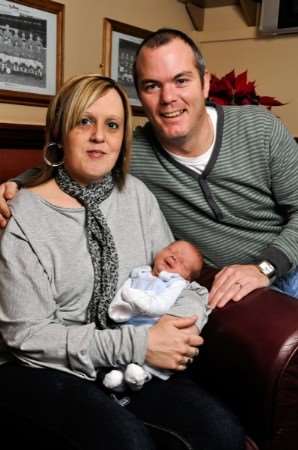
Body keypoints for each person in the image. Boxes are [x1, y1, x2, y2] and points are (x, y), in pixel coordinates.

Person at [0, 74, 245, 450]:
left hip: (131, 364)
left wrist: (175, 330)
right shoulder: (22, 215)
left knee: (221, 433)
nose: (100, 135)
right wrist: (139, 344)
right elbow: (27, 337)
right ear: (59, 130)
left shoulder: (136, 196)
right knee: (128, 443)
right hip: (42, 370)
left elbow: (181, 281)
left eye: (112, 125)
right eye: (85, 121)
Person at [1, 28, 298, 308]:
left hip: (288, 267)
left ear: (205, 83)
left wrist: (265, 267)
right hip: (227, 290)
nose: (168, 98)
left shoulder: (260, 129)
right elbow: (73, 160)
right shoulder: (132, 151)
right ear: (140, 95)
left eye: (181, 80)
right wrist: (15, 185)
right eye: (152, 85)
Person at [104, 240, 210, 391]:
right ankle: (119, 378)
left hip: (153, 326)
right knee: (120, 344)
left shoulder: (177, 284)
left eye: (182, 261)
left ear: (187, 278)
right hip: (127, 324)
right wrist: (118, 309)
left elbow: (161, 306)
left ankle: (141, 376)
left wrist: (138, 300)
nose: (174, 257)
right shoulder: (141, 272)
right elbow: (125, 289)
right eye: (171, 250)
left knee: (156, 352)